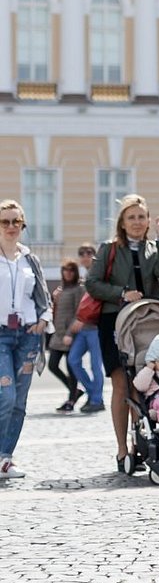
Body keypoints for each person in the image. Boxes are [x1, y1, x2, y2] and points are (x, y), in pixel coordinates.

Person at [83, 194, 159, 471]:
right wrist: (122, 294)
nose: (137, 222)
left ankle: (142, 443)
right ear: (122, 223)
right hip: (114, 322)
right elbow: (92, 283)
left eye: (141, 217)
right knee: (122, 383)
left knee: (145, 383)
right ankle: (123, 449)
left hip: (146, 323)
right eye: (131, 217)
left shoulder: (151, 247)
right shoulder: (110, 248)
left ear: (148, 220)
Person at [0, 200, 52, 478]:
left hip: (28, 335)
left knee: (19, 400)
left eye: (16, 222)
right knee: (5, 395)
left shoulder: (30, 258)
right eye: (5, 222)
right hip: (0, 336)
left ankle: (6, 458)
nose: (11, 227)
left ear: (23, 225)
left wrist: (44, 319)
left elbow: (43, 297)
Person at [66, 244, 105, 414]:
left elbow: (98, 301)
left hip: (95, 327)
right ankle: (92, 393)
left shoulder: (99, 275)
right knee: (73, 360)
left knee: (96, 366)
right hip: (83, 328)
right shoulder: (84, 277)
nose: (85, 256)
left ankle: (97, 400)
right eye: (81, 253)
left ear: (95, 256)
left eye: (89, 253)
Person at [48, 259, 84, 412]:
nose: (68, 273)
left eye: (71, 270)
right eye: (65, 270)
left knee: (72, 368)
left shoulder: (78, 289)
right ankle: (75, 391)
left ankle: (71, 399)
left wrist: (70, 333)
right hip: (58, 334)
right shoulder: (60, 289)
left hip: (71, 335)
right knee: (52, 365)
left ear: (75, 272)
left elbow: (79, 312)